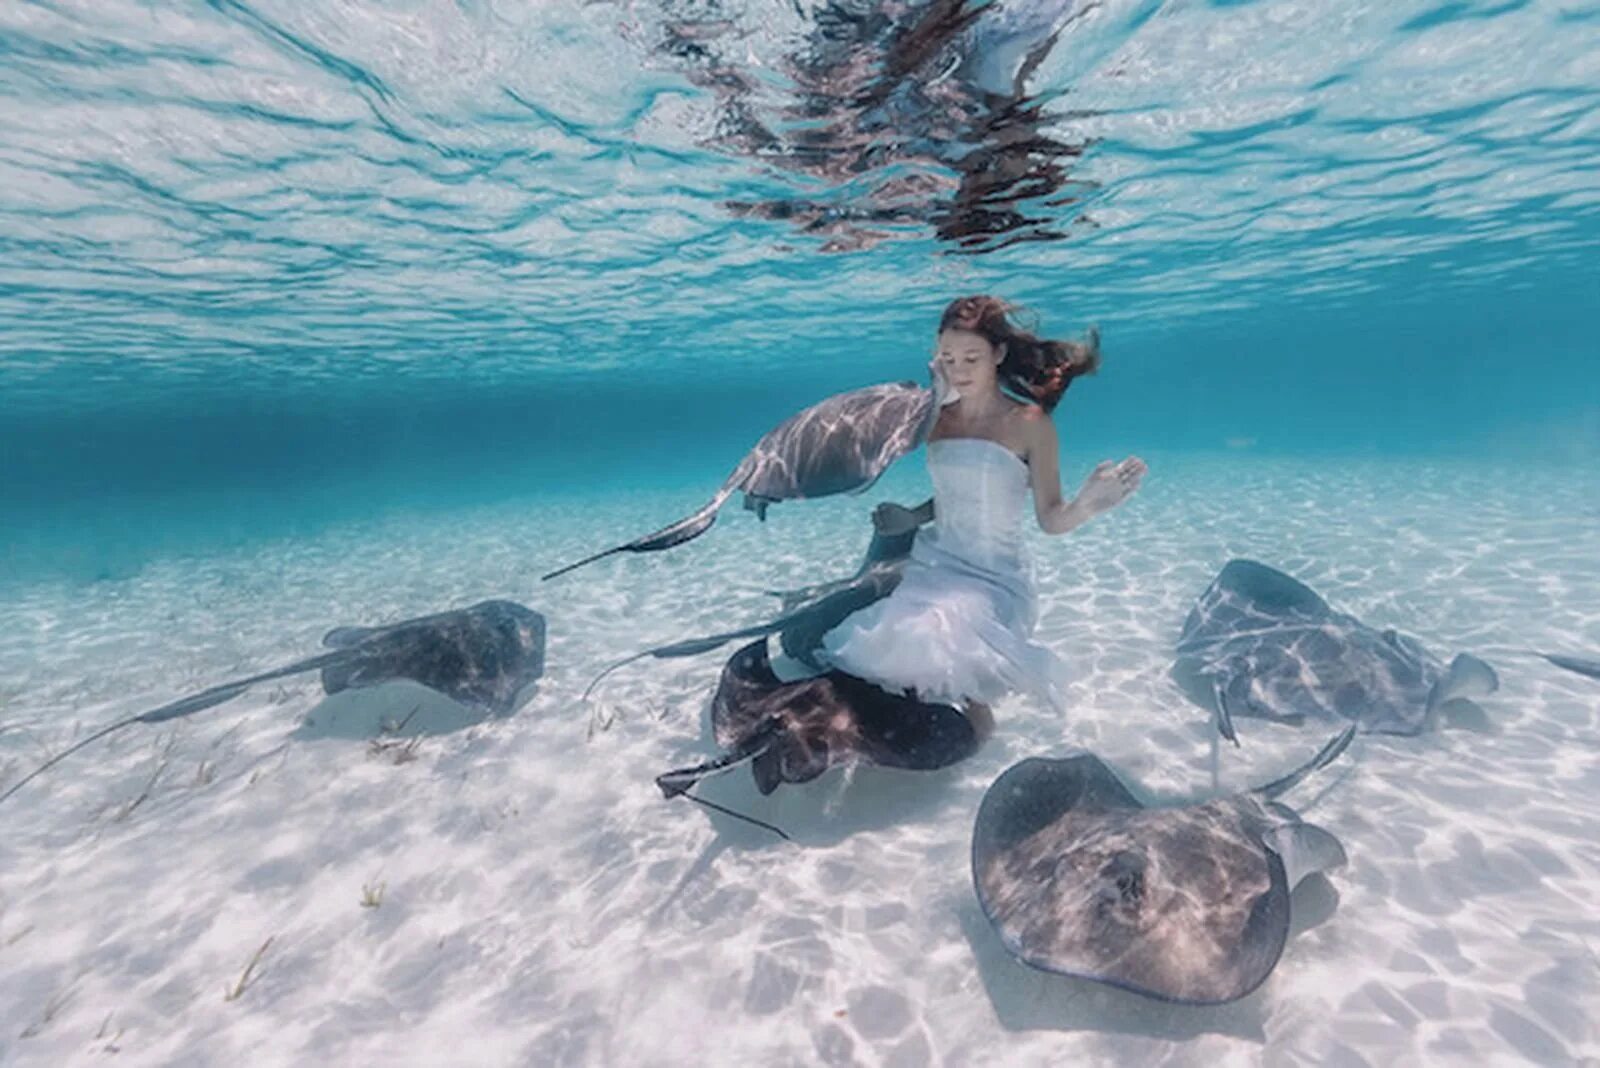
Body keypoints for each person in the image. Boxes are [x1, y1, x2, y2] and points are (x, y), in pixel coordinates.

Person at [811, 294, 1146, 734]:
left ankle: (973, 740)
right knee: (875, 636)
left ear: (999, 354)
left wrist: (1088, 504)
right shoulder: (935, 419)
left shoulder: (1031, 424)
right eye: (947, 359)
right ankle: (900, 734)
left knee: (927, 639)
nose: (959, 370)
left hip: (994, 577)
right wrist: (913, 517)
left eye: (971, 357)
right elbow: (954, 498)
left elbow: (1050, 519)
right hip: (936, 563)